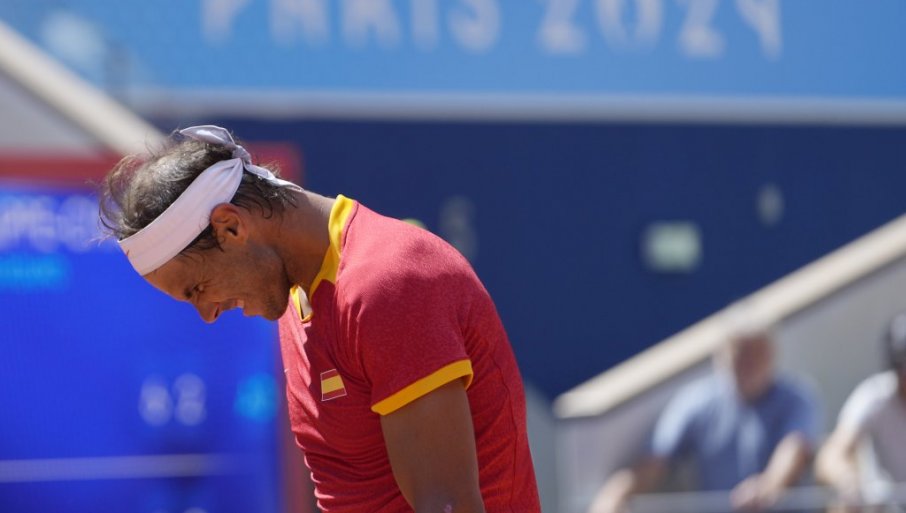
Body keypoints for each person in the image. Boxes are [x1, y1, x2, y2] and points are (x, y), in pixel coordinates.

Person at [98, 125, 541, 513]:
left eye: (197, 288)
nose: (208, 314)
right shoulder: (298, 300)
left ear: (230, 226)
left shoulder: (387, 281)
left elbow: (447, 505)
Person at [587, 324, 820, 513]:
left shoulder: (796, 398)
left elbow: (794, 448)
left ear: (771, 355)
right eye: (740, 355)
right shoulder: (696, 401)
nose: (747, 365)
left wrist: (768, 485)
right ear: (721, 357)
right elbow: (656, 460)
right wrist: (617, 492)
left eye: (755, 355)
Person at [816, 312, 906, 512]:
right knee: (842, 505)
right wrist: (848, 481)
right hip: (889, 507)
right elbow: (831, 455)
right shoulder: (875, 395)